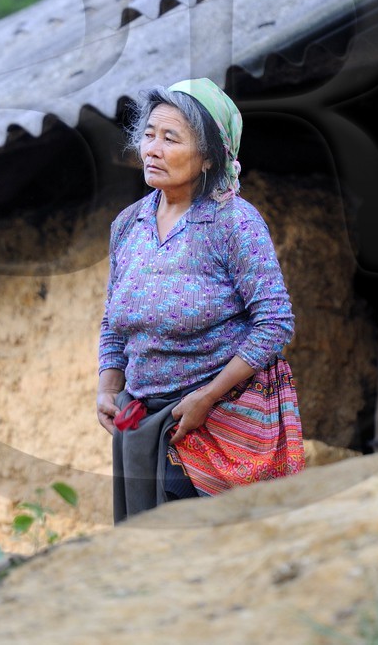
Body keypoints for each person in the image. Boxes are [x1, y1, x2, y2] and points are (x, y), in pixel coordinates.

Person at [97, 78, 305, 524]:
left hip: (217, 421)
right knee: (145, 555)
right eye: (149, 134)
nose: (152, 148)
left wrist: (207, 397)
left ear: (209, 155)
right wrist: (107, 387)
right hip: (143, 423)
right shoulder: (127, 225)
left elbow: (275, 322)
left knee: (193, 550)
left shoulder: (232, 221)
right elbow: (113, 323)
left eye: (170, 138)